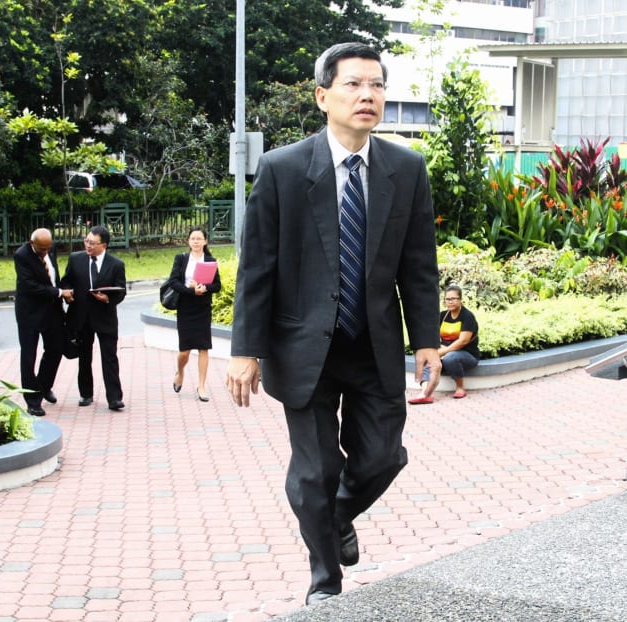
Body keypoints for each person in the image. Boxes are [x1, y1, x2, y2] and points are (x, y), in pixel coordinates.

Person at [224, 42, 442, 605]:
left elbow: (419, 264)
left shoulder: (406, 169)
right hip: (302, 347)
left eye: (377, 85)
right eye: (353, 84)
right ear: (323, 96)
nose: (368, 95)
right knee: (315, 470)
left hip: (373, 343)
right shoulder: (282, 169)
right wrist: (245, 350)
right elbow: (256, 269)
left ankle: (335, 515)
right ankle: (325, 580)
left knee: (384, 456)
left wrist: (426, 340)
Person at [61, 225, 127, 411]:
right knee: (84, 357)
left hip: (105, 317)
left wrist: (108, 299)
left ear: (104, 245)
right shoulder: (76, 259)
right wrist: (67, 293)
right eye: (86, 241)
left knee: (109, 357)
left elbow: (121, 291)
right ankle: (86, 393)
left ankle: (114, 398)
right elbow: (66, 281)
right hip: (81, 317)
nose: (88, 245)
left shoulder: (116, 264)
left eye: (92, 243)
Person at [13, 228, 73, 417]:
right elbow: (30, 286)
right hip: (30, 312)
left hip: (52, 310)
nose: (45, 252)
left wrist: (64, 291)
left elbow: (53, 277)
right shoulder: (21, 255)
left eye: (48, 248)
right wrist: (59, 293)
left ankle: (43, 386)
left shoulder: (49, 249)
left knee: (56, 349)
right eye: (41, 249)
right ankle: (32, 401)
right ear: (32, 244)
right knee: (29, 356)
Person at [167, 227, 222, 402]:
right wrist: (191, 290)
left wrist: (205, 288)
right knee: (185, 351)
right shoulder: (181, 259)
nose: (196, 241)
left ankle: (201, 386)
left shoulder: (210, 261)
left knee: (203, 347)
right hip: (185, 307)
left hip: (203, 308)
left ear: (205, 241)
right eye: (193, 238)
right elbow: (173, 282)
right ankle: (180, 372)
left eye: (199, 238)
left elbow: (217, 285)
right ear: (188, 241)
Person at [408, 284, 480, 403]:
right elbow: (434, 335)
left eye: (453, 299)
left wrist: (443, 352)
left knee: (451, 358)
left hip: (467, 354)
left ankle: (460, 388)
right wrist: (437, 350)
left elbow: (463, 341)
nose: (450, 302)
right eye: (447, 299)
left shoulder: (467, 316)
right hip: (445, 352)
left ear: (460, 299)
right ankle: (425, 393)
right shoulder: (443, 316)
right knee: (427, 358)